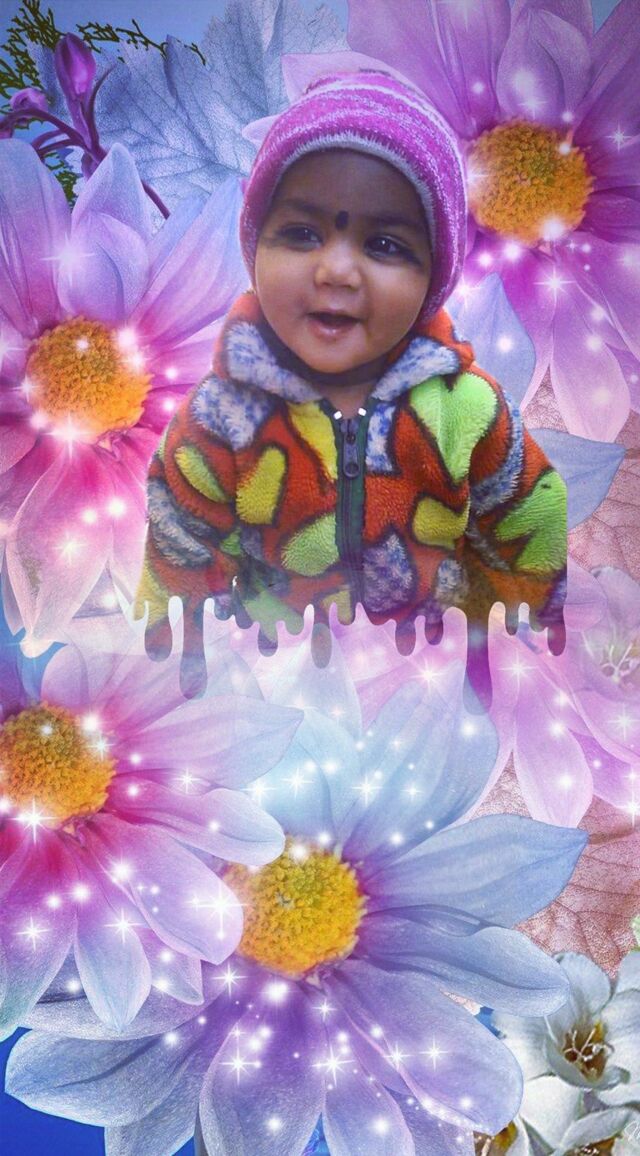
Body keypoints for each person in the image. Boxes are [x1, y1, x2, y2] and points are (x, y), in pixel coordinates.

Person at [135, 70, 566, 690]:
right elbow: (181, 533)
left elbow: (528, 507)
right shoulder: (223, 411)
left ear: (434, 277)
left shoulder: (466, 405)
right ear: (254, 250)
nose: (336, 269)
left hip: (423, 668)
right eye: (302, 234)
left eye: (384, 244)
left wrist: (522, 625)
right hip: (274, 667)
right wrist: (177, 641)